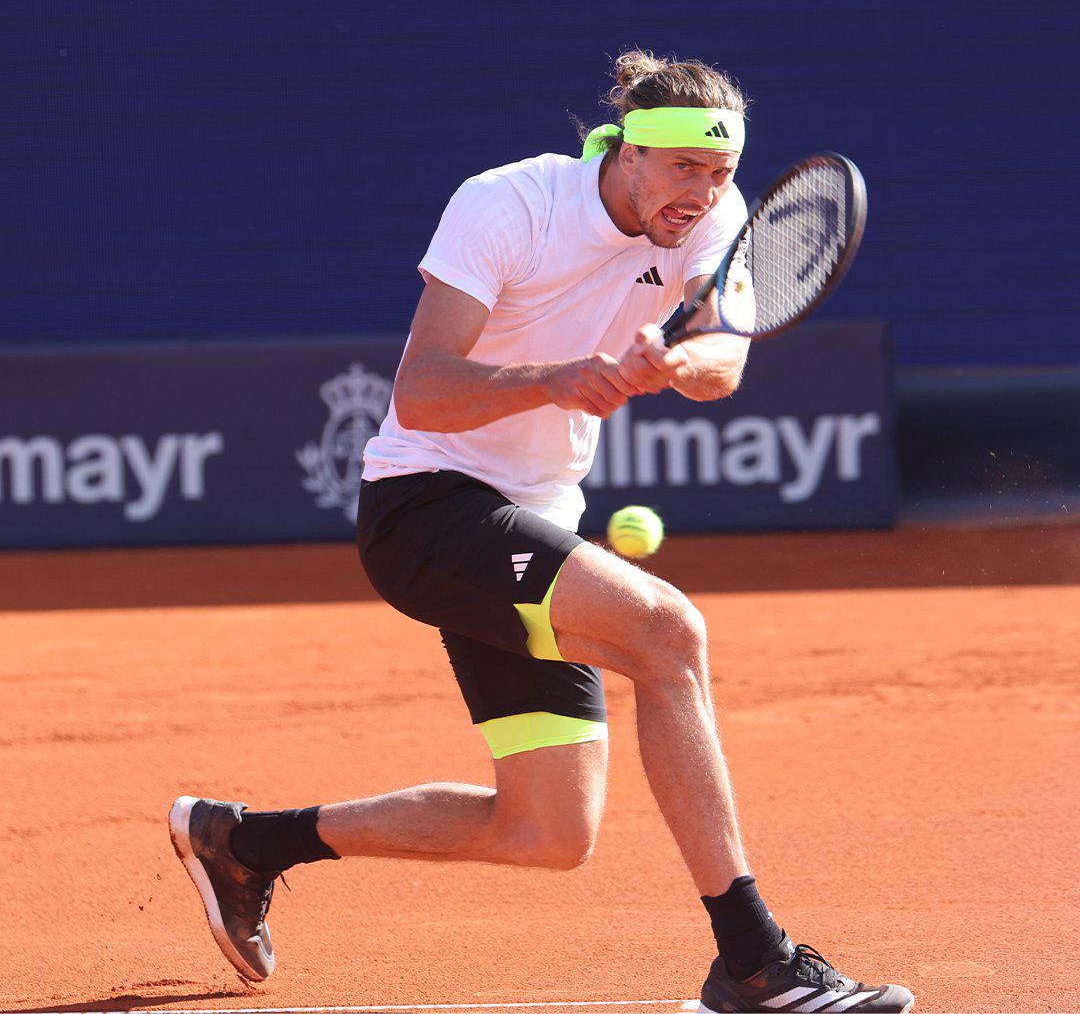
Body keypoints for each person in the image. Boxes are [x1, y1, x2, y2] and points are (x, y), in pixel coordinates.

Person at [169, 50, 914, 1014]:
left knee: (546, 832)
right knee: (668, 634)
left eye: (721, 170)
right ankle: (754, 961)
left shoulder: (714, 219)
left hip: (533, 518)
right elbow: (422, 389)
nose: (702, 190)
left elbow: (723, 359)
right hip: (426, 506)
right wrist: (558, 379)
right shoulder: (509, 205)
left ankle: (243, 844)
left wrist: (674, 363)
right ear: (627, 152)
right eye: (683, 167)